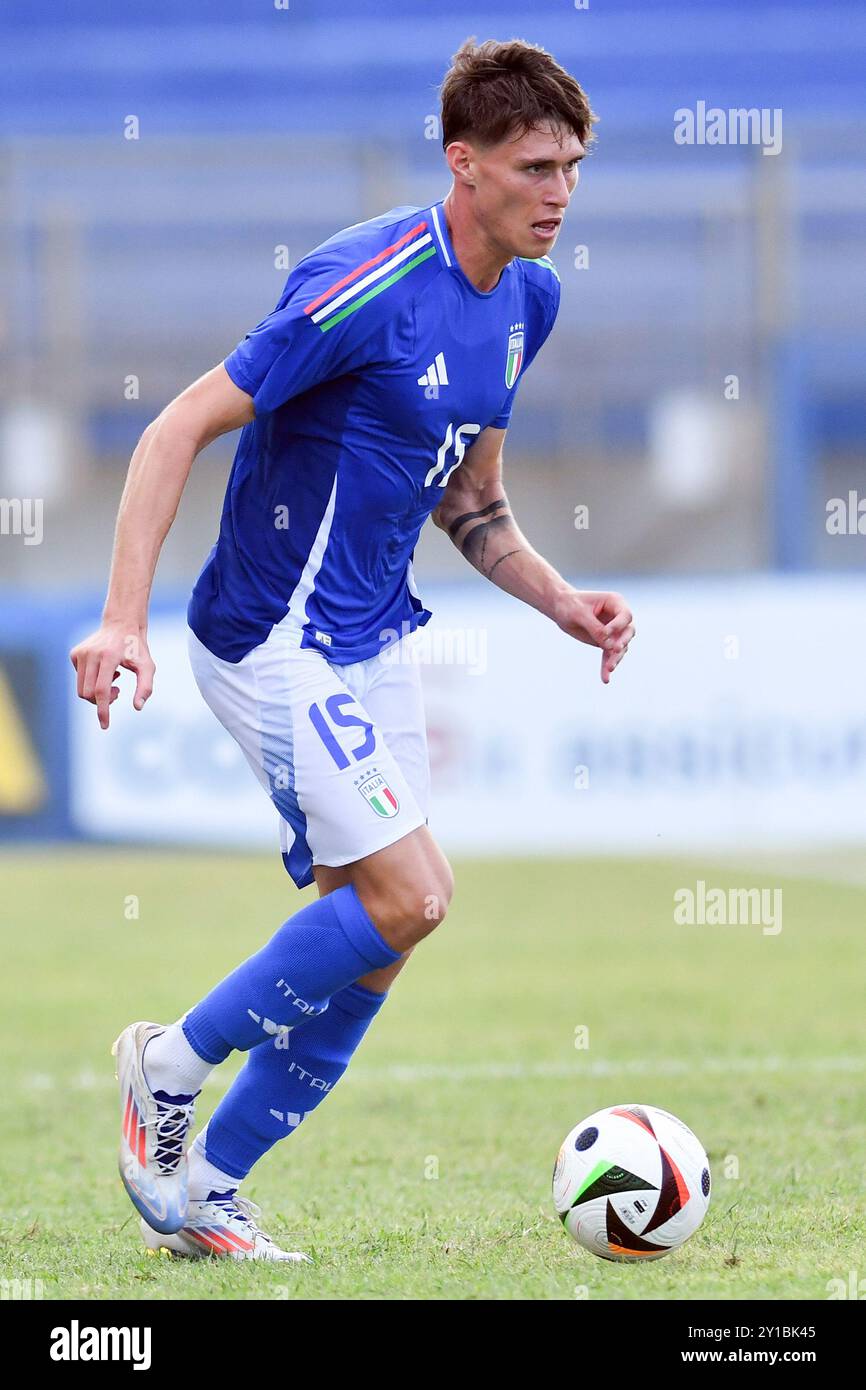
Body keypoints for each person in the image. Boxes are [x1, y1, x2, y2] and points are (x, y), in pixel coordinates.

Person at [70, 37, 635, 1263]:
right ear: (462, 161)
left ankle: (209, 1188)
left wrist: (557, 600)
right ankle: (164, 1066)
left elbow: (470, 503)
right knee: (413, 893)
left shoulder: (528, 300)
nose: (559, 192)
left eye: (574, 167)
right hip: (272, 641)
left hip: (375, 640)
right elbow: (174, 428)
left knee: (376, 939)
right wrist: (122, 617)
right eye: (535, 165)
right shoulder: (360, 282)